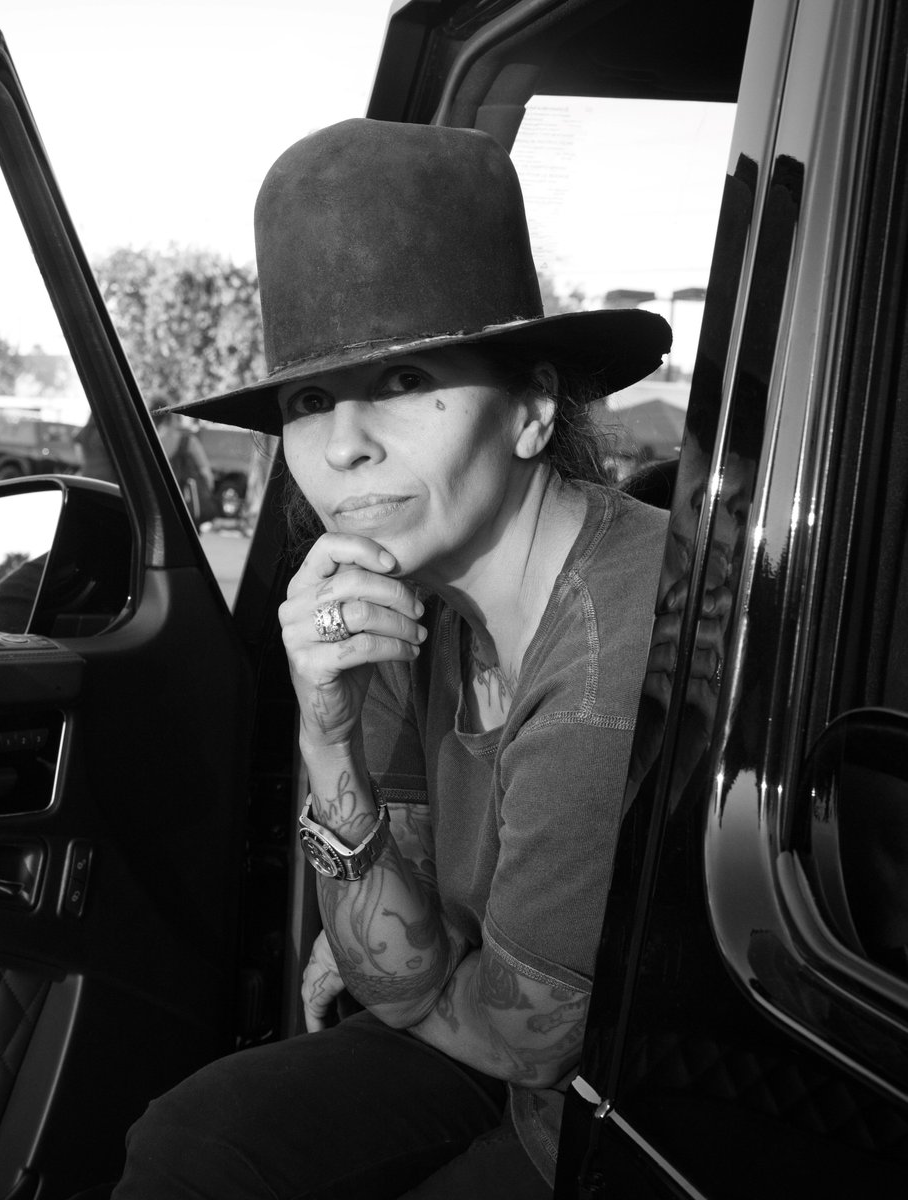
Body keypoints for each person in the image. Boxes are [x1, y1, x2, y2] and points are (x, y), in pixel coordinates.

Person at [111, 118, 672, 1199]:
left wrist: (410, 985)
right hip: (485, 1038)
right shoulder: (412, 601)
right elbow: (395, 939)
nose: (344, 444)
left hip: (626, 1106)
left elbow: (527, 1036)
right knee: (193, 1143)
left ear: (532, 409)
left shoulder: (608, 648)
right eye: (310, 401)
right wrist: (326, 737)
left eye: (405, 378)